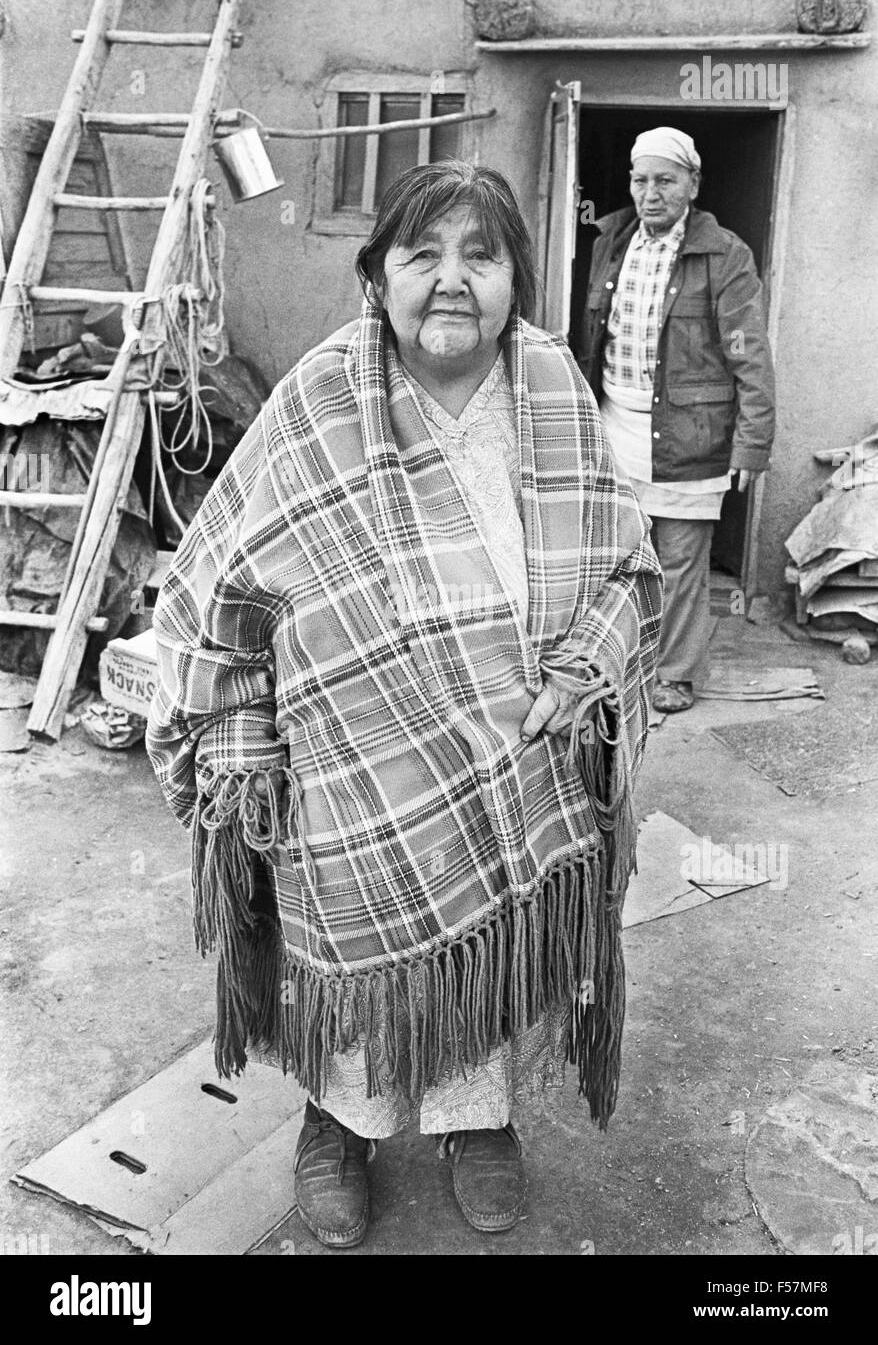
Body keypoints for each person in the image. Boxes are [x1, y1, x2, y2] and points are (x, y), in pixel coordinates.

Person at [146, 161, 662, 1249]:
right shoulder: (320, 400)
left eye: (480, 254)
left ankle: (476, 1125)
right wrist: (240, 731)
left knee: (493, 957)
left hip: (516, 758)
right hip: (352, 767)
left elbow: (629, 571)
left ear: (517, 277)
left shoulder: (555, 392)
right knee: (346, 961)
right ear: (375, 274)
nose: (450, 280)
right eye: (421, 253)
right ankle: (339, 1126)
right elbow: (214, 584)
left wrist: (582, 669)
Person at [578, 127, 775, 712]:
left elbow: (750, 353)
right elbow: (590, 338)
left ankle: (676, 674)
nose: (650, 193)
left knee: (682, 560)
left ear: (692, 184)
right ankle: (614, 659)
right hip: (615, 423)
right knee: (613, 552)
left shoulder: (724, 255)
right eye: (641, 180)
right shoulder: (610, 240)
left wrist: (751, 445)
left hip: (691, 435)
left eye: (665, 180)